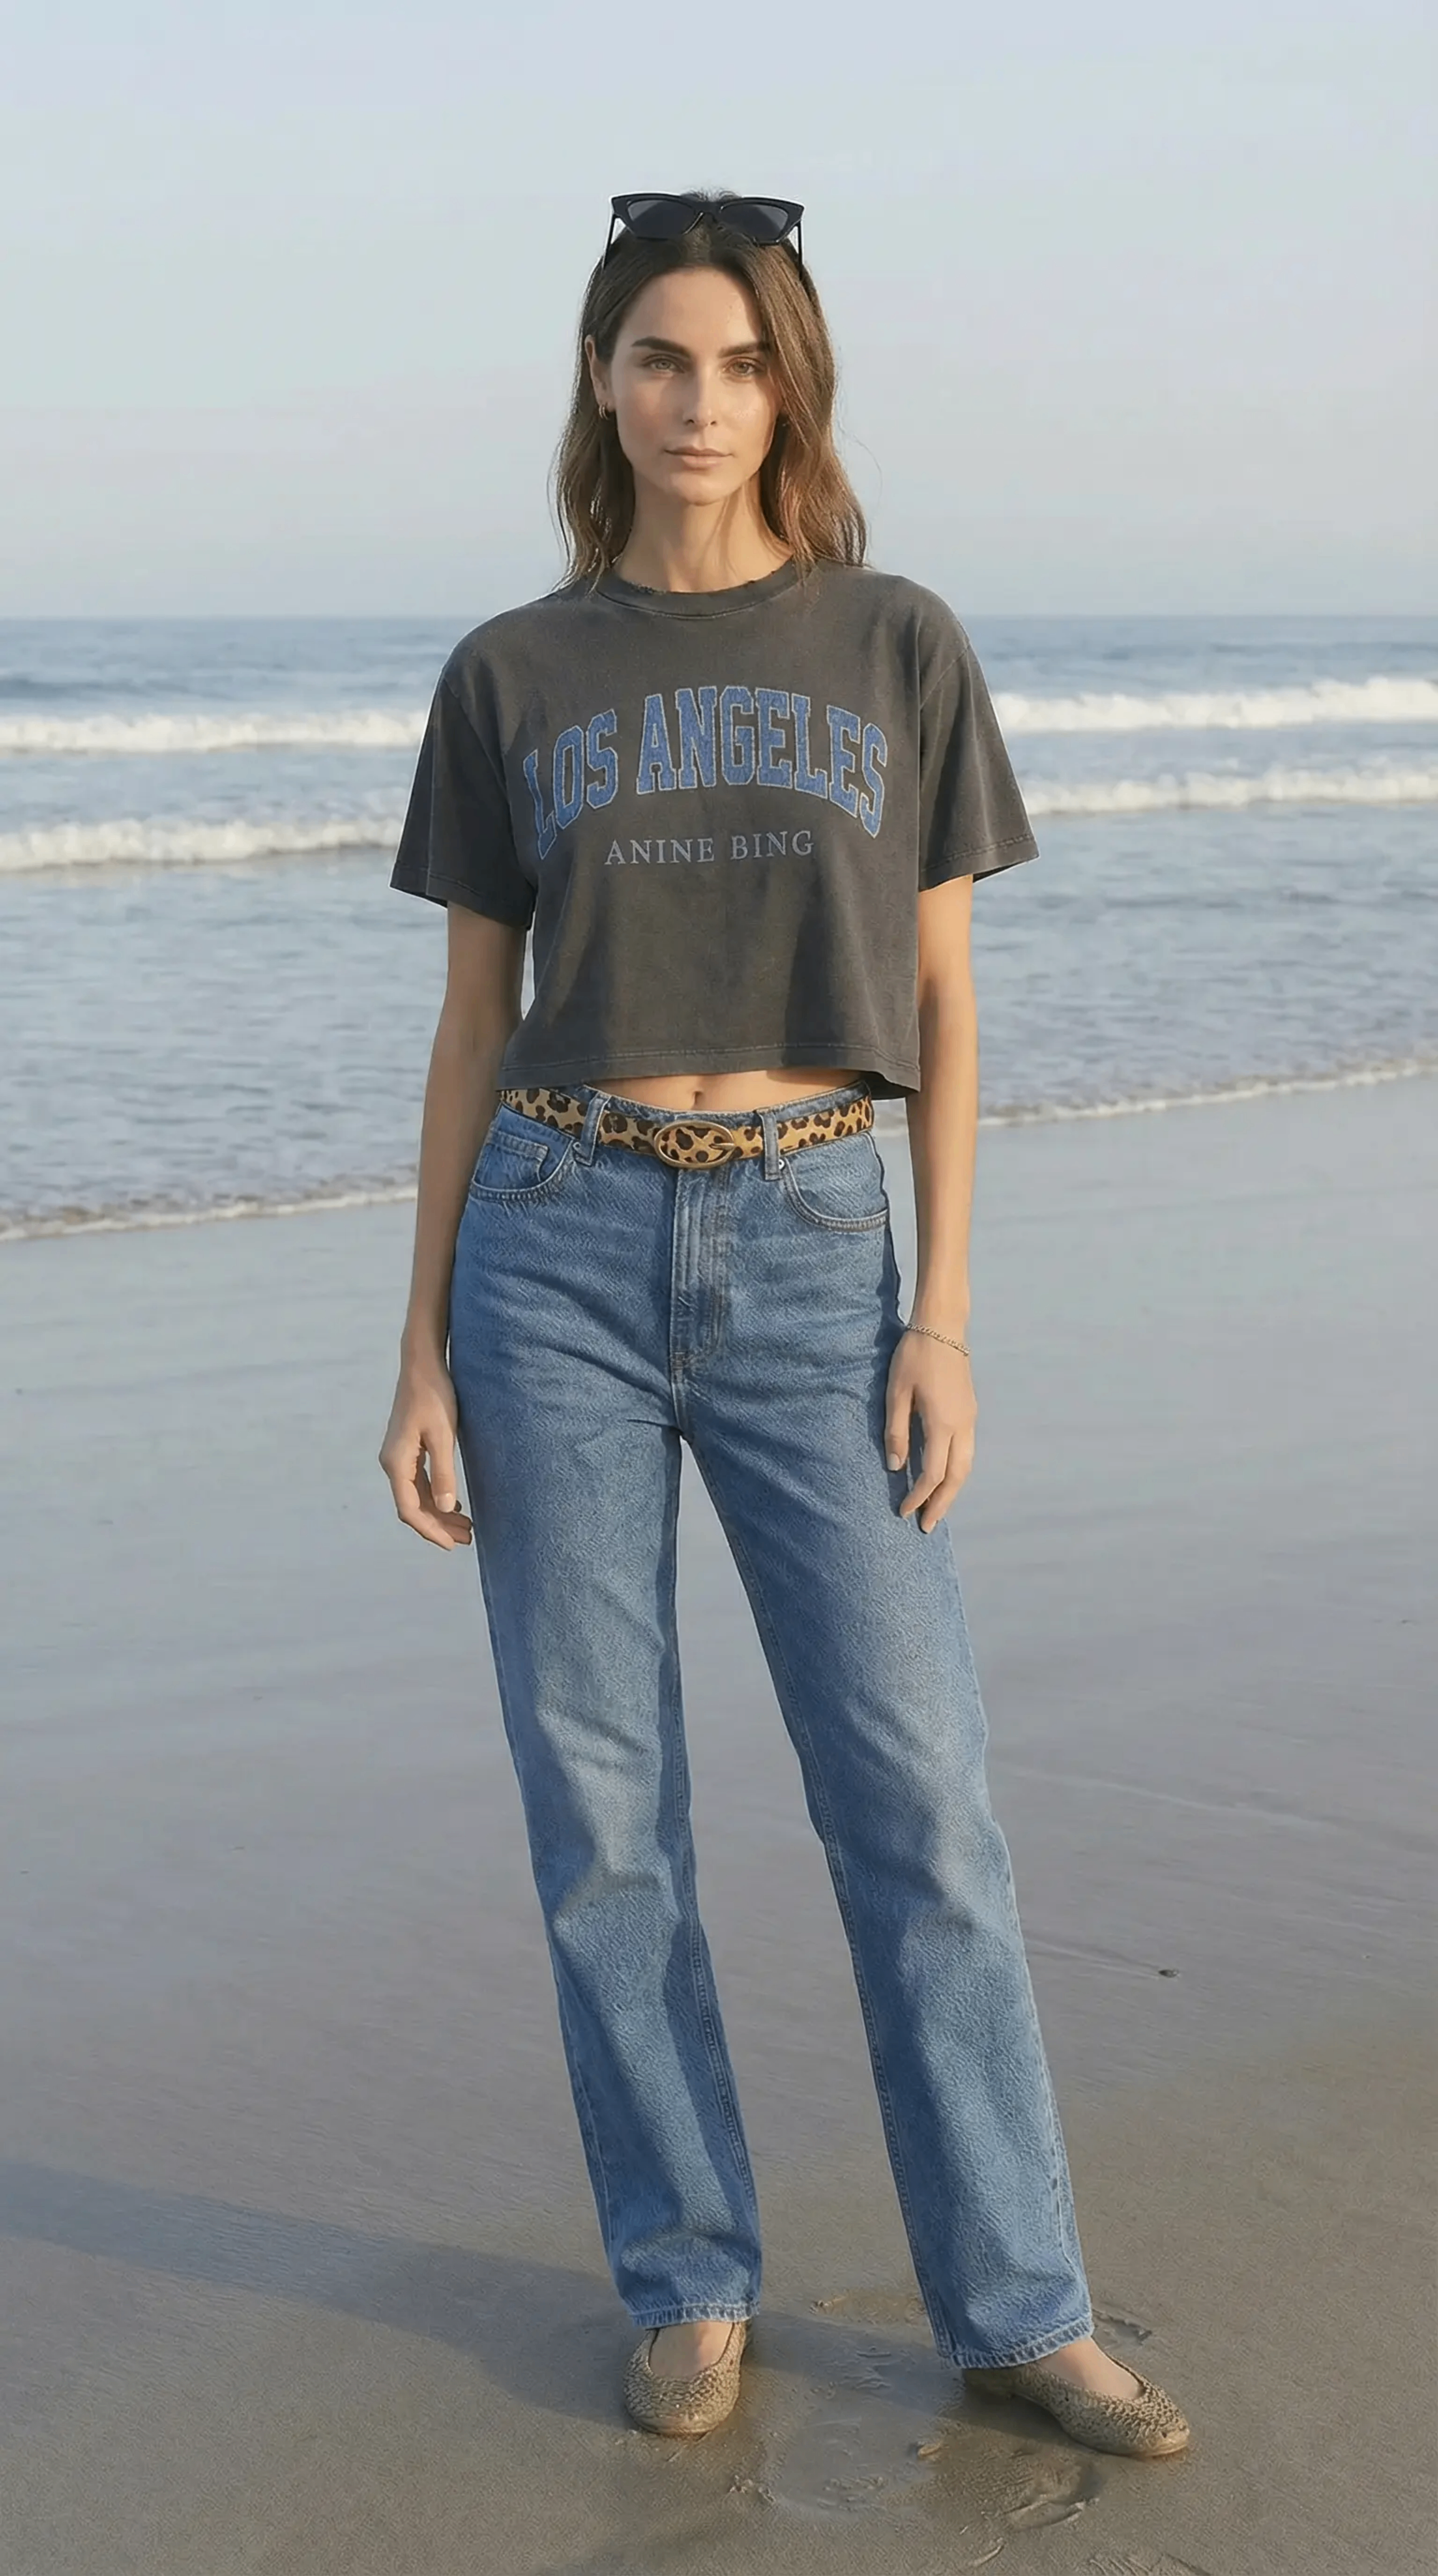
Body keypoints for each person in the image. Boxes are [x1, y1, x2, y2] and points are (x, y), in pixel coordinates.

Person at [379, 188, 1189, 2459]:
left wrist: (948, 1317)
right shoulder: (511, 674)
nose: (700, 402)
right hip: (552, 1246)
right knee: (603, 1812)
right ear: (602, 381)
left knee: (918, 1800)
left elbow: (944, 994)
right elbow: (471, 1029)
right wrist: (419, 1348)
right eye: (660, 357)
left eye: (741, 363)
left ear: (792, 387)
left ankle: (1019, 2306)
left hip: (825, 1241)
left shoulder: (896, 642)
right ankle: (687, 2276)